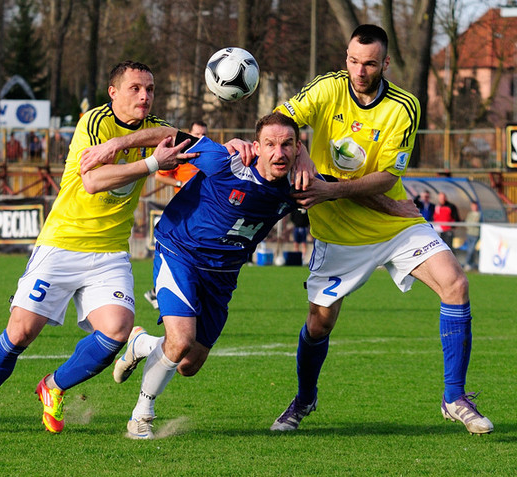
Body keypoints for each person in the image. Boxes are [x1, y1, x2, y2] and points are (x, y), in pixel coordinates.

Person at [0, 60, 194, 434]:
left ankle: (53, 386)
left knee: (117, 330)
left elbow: (180, 134)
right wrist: (151, 161)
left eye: (150, 89)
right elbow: (93, 181)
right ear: (113, 93)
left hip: (109, 252)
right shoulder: (94, 121)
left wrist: (124, 144)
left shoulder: (153, 129)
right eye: (135, 89)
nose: (144, 96)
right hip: (62, 244)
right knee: (20, 333)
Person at [268, 24, 492, 435]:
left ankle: (454, 397)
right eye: (353, 60)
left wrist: (330, 187)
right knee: (319, 324)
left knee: (456, 284)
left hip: (394, 224)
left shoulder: (405, 106)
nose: (358, 70)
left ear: (385, 63)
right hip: (337, 235)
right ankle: (304, 399)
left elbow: (387, 179)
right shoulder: (327, 88)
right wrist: (297, 152)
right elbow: (281, 119)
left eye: (369, 63)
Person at [111, 113, 304, 439]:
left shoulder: (300, 187)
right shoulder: (224, 160)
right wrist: (115, 144)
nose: (279, 153)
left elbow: (350, 191)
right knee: (181, 340)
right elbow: (170, 134)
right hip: (180, 254)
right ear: (256, 147)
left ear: (299, 149)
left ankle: (141, 344)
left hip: (223, 277)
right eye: (270, 144)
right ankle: (141, 416)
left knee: (189, 364)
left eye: (287, 145)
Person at [143, 120, 208, 309]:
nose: (201, 137)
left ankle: (162, 292)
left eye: (204, 134)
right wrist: (180, 184)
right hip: (185, 211)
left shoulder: (208, 155)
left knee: (196, 255)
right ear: (190, 133)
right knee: (183, 254)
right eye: (197, 133)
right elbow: (159, 175)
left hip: (203, 212)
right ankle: (159, 291)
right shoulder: (183, 153)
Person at [462, 200, 481, 271]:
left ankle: (467, 263)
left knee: (471, 249)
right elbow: (467, 222)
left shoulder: (480, 214)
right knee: (470, 249)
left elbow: (476, 223)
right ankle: (471, 263)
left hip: (476, 234)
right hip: (469, 233)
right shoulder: (470, 214)